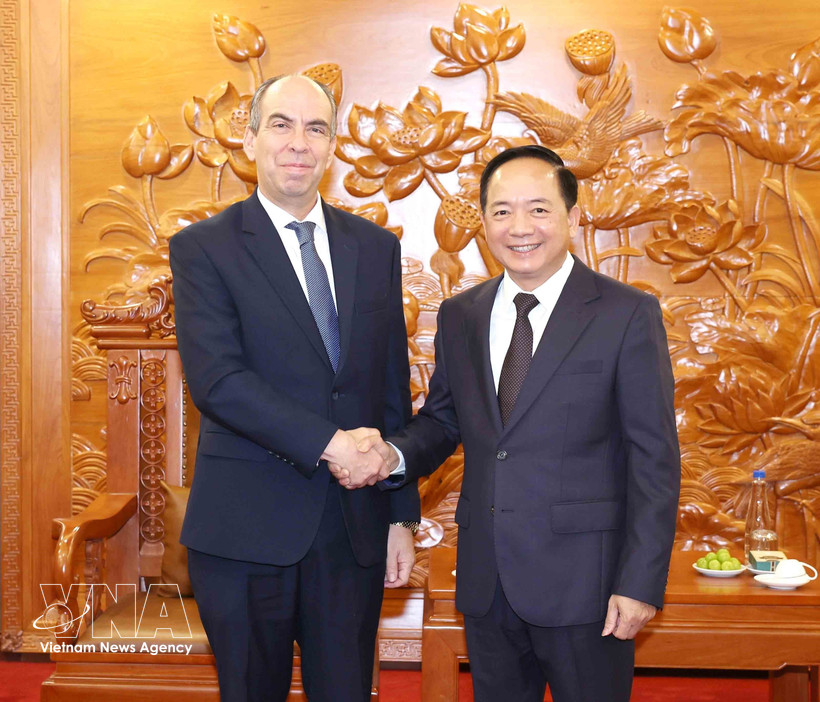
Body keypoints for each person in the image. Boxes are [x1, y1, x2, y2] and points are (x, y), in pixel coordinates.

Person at [335, 145, 680, 702]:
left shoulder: (625, 313)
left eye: (539, 209)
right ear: (484, 221)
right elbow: (444, 421)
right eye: (501, 211)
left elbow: (654, 460)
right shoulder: (460, 314)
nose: (519, 227)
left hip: (587, 588)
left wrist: (639, 583)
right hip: (488, 579)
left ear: (571, 214)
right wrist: (390, 457)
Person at [168, 74, 420, 702]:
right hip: (246, 528)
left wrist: (400, 514)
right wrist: (331, 443)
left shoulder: (375, 248)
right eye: (281, 124)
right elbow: (219, 381)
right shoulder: (204, 249)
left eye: (316, 128)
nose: (298, 142)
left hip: (353, 528)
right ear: (250, 139)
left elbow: (391, 389)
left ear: (332, 147)